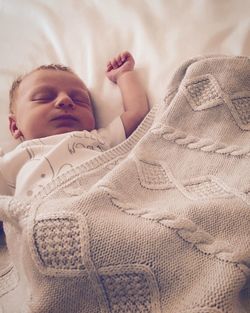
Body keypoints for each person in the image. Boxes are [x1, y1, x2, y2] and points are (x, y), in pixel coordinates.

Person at [0, 51, 149, 197]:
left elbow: (137, 112)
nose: (65, 100)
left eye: (79, 100)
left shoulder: (97, 139)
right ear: (14, 126)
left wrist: (124, 75)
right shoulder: (12, 161)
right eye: (43, 97)